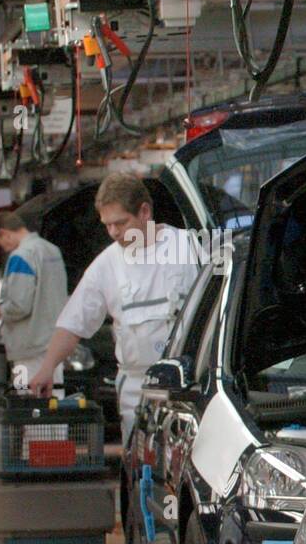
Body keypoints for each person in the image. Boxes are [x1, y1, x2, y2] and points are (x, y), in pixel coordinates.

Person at [27, 173, 201, 443]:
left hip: (188, 388)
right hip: (136, 388)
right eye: (107, 225)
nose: (113, 233)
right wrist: (47, 367)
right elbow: (74, 323)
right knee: (138, 469)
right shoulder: (106, 265)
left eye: (120, 223)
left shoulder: (191, 247)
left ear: (144, 211)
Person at [0, 211, 68, 392]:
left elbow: (19, 305)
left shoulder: (20, 256)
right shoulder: (51, 250)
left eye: (0, 244)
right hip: (54, 345)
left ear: (4, 233)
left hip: (28, 348)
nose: (5, 249)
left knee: (25, 405)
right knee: (55, 403)